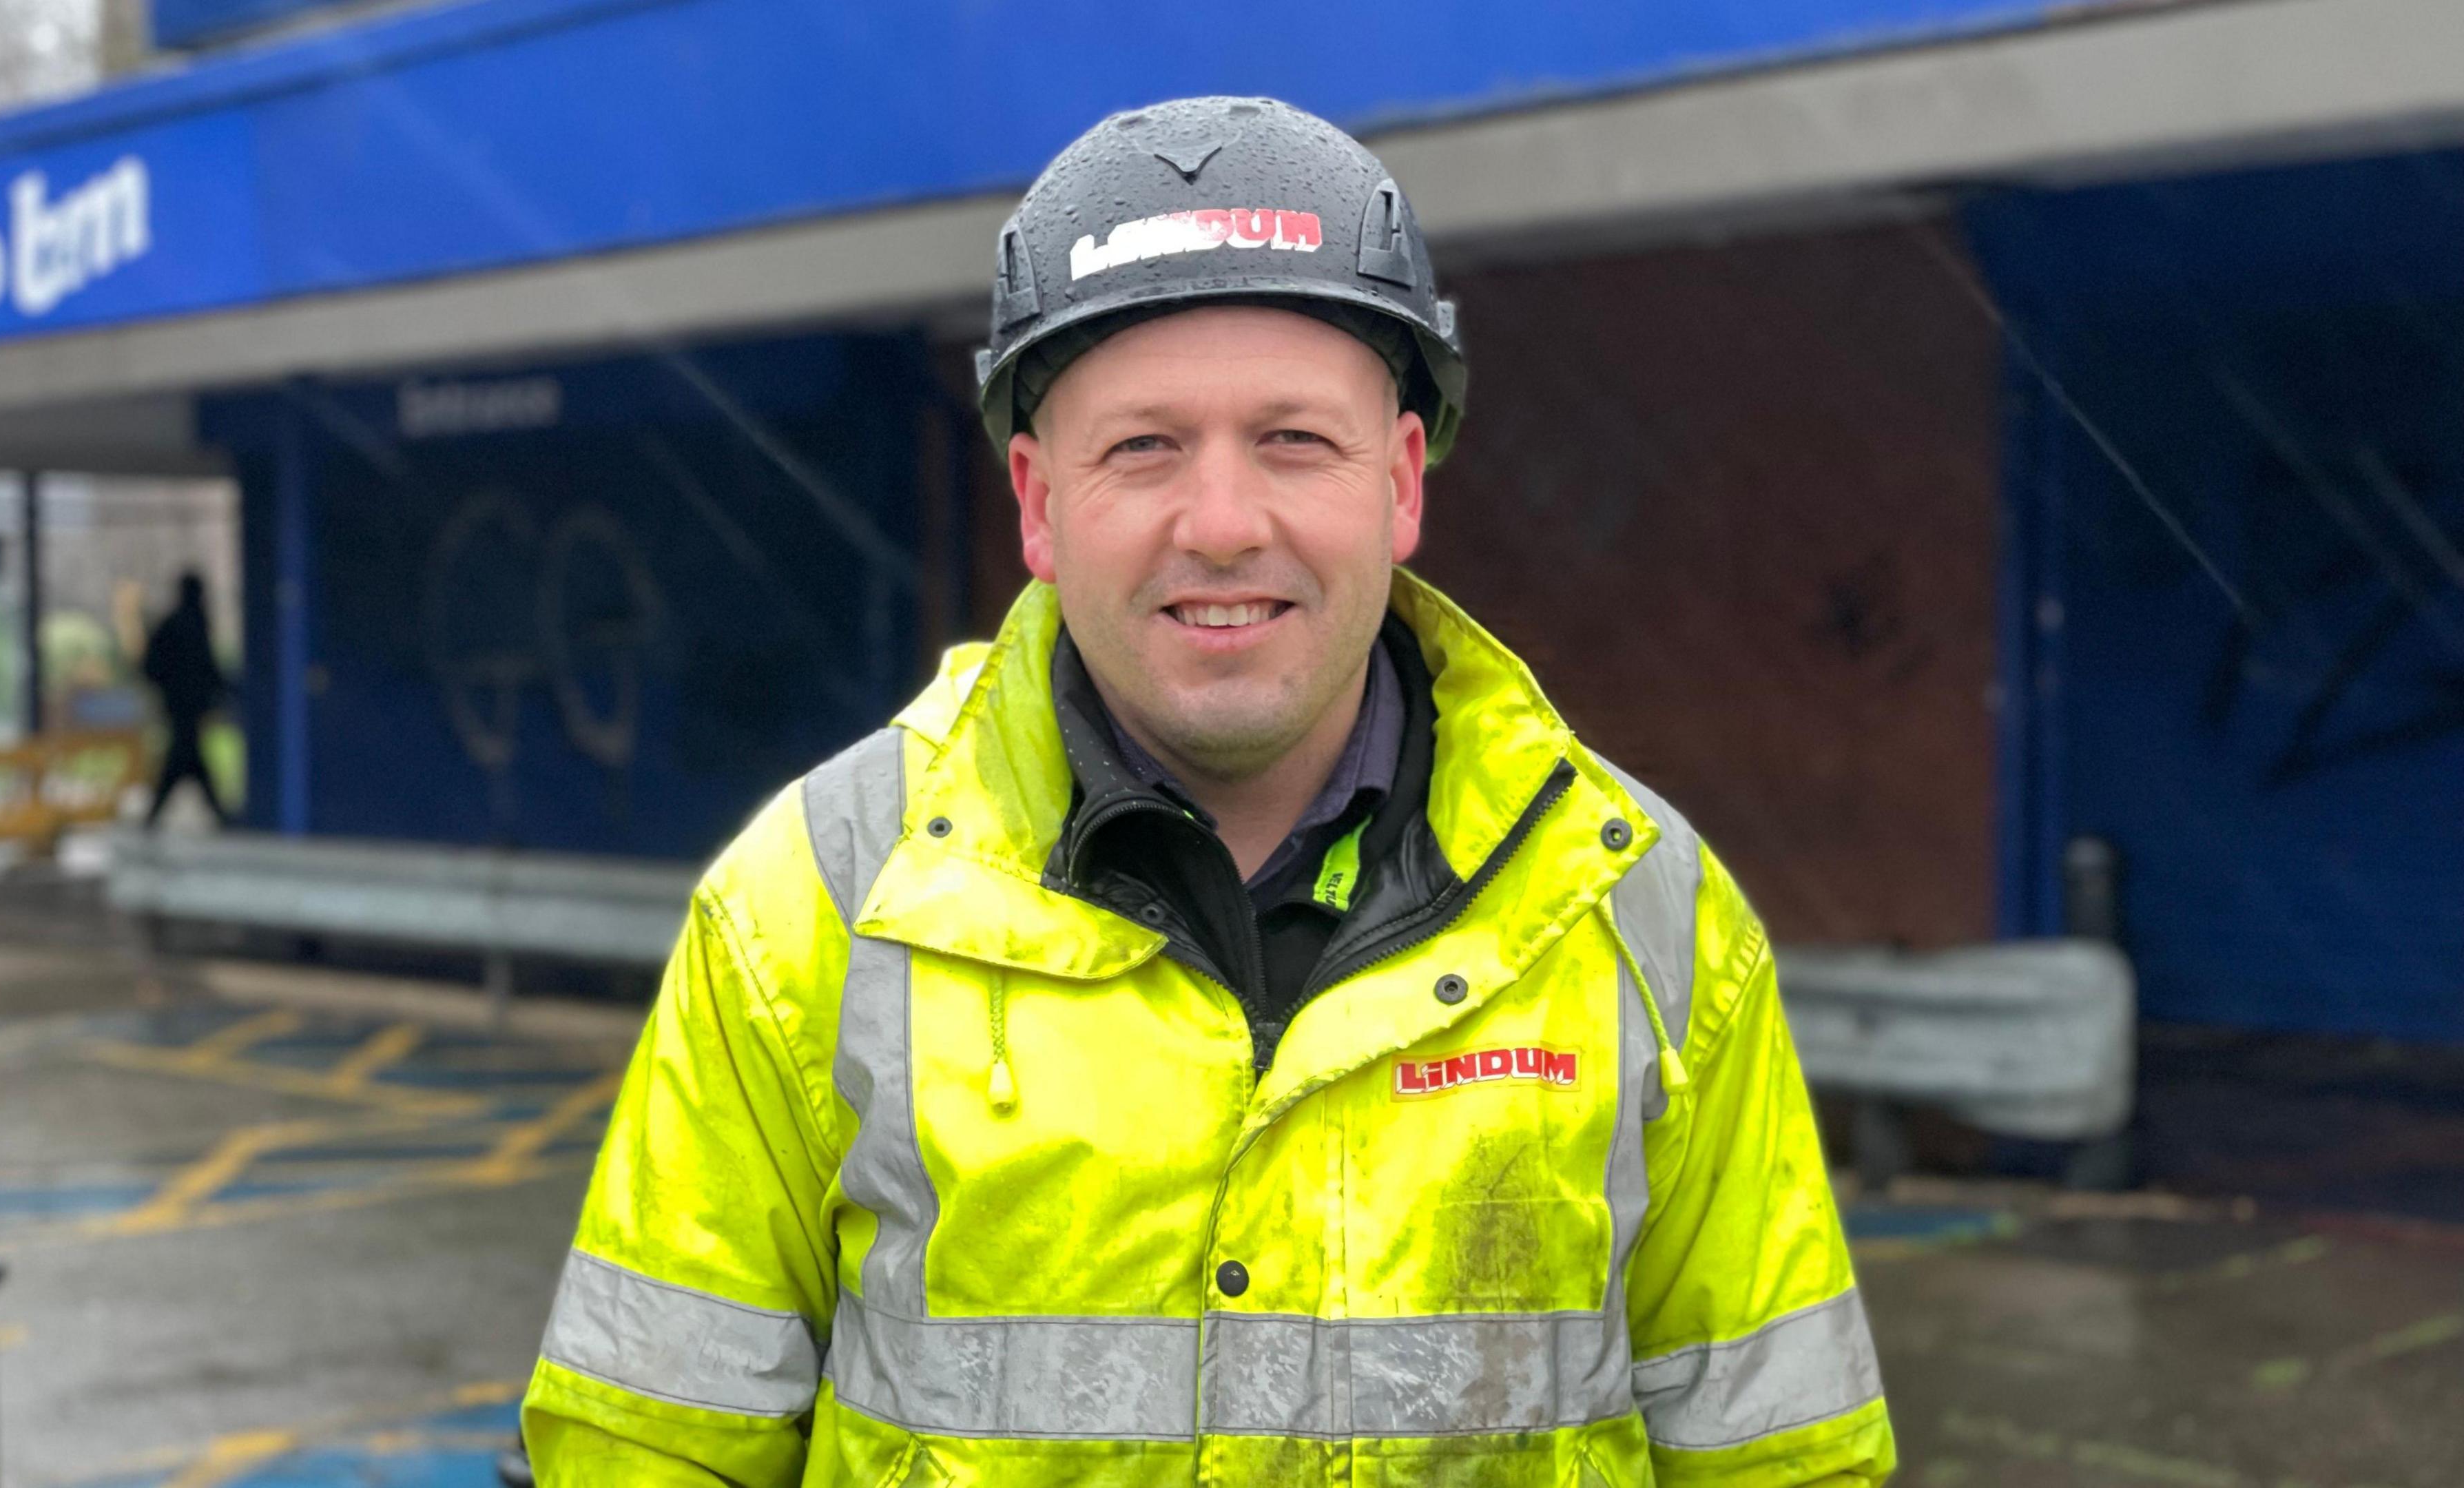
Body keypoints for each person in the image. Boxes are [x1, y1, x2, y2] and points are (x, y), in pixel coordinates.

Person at [524, 97, 1892, 1486]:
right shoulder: (807, 907)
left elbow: (1786, 1464)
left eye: (1295, 440)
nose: (1225, 523)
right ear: (1039, 504)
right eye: (1144, 448)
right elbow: (641, 1454)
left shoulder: (1643, 909)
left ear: (1403, 485)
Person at [139, 570, 231, 826]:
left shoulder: (185, 623)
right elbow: (154, 666)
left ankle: (157, 814)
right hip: (184, 705)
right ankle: (215, 813)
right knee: (184, 757)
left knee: (187, 757)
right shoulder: (182, 624)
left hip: (185, 704)